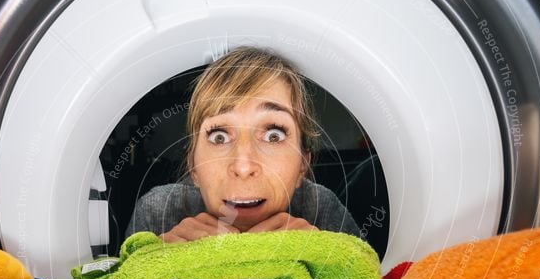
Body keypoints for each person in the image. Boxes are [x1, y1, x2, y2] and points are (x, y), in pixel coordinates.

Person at [124, 46, 362, 243]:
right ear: (193, 167)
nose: (244, 166)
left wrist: (328, 258)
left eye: (273, 135)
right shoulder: (157, 212)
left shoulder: (323, 210)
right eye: (219, 137)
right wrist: (153, 263)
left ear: (302, 164)